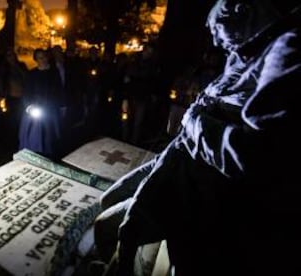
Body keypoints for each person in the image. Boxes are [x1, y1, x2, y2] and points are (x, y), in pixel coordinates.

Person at [95, 1, 301, 275]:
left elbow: (251, 156)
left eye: (216, 28)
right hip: (177, 159)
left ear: (241, 10)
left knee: (121, 229)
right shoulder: (248, 51)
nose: (214, 39)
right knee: (112, 202)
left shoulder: (287, 48)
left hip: (201, 186)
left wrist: (194, 121)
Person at [18, 48, 63, 160]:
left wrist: (61, 105)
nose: (42, 60)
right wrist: (29, 106)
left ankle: (50, 153)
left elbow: (59, 90)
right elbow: (27, 91)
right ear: (36, 60)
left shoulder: (54, 72)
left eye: (44, 57)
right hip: (36, 107)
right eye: (39, 58)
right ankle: (35, 151)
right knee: (35, 132)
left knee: (50, 132)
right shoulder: (32, 74)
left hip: (51, 107)